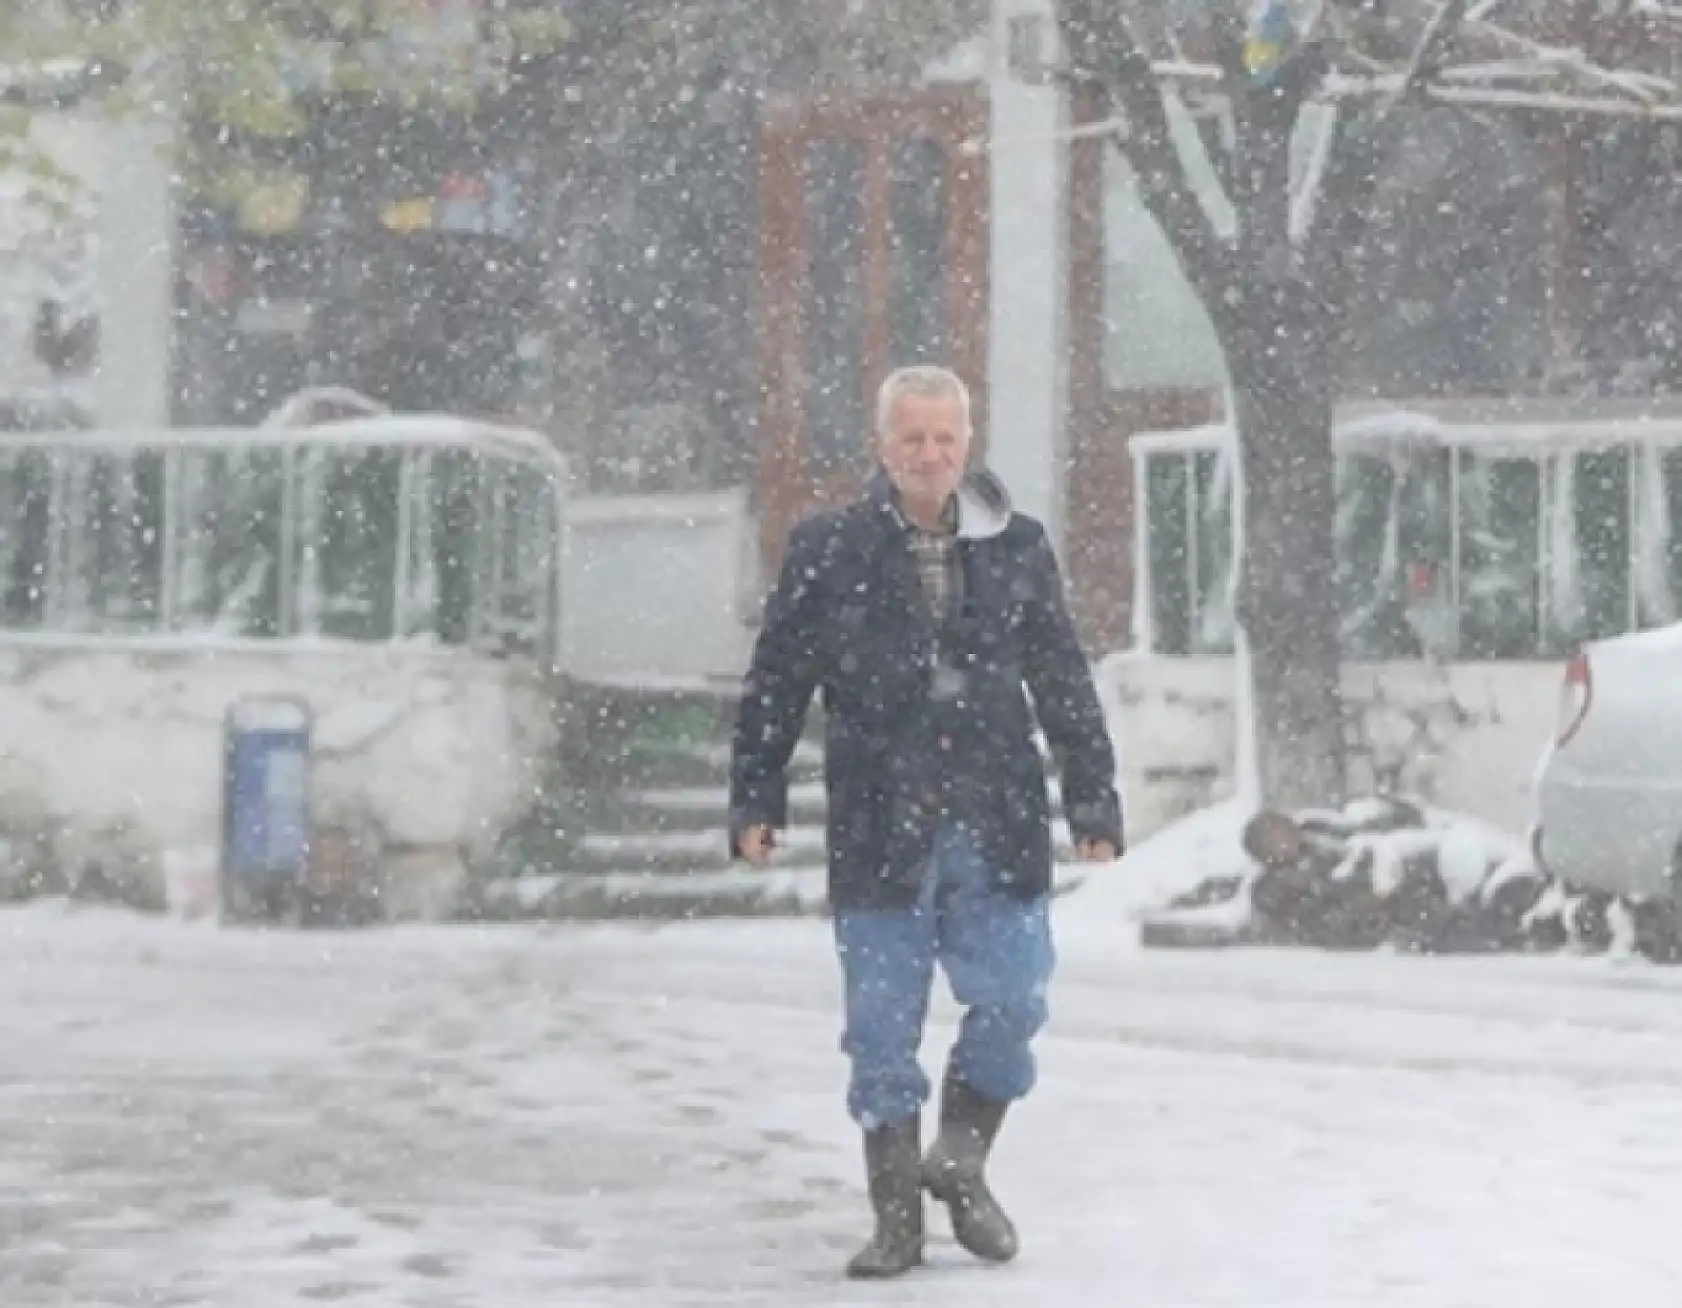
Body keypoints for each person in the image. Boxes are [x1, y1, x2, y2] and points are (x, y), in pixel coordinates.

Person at [729, 365, 1123, 1278]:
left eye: (945, 437)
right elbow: (778, 681)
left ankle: (960, 1159)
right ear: (882, 446)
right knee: (880, 1028)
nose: (931, 454)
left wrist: (1092, 800)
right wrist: (756, 797)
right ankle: (896, 1215)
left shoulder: (1018, 546)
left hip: (996, 818)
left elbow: (1062, 680)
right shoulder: (829, 549)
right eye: (912, 437)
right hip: (880, 824)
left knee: (1016, 998)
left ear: (967, 442)